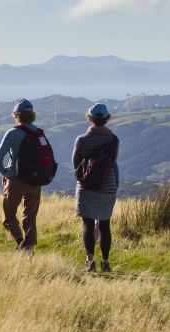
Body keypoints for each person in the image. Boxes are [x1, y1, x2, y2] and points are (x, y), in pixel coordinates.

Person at [0, 99, 56, 251]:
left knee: (8, 215)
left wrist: (6, 173)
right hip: (36, 181)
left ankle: (20, 242)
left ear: (16, 115)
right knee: (30, 218)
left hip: (16, 180)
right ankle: (29, 251)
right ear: (32, 115)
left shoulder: (13, 133)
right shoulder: (39, 133)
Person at [73, 104, 120, 273]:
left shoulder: (82, 140)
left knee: (87, 223)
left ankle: (89, 261)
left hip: (87, 186)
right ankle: (106, 263)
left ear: (89, 118)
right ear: (107, 118)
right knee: (105, 225)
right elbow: (112, 163)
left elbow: (76, 164)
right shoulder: (113, 140)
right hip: (108, 186)